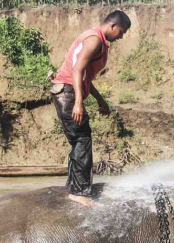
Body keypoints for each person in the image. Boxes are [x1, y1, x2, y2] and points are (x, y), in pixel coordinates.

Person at [49, 10, 130, 207]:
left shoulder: (97, 39)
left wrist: (101, 101)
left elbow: (86, 77)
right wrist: (78, 102)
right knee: (81, 138)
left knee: (80, 138)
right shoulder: (95, 40)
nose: (121, 36)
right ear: (112, 26)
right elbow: (76, 70)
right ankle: (78, 192)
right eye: (122, 31)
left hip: (68, 90)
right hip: (67, 91)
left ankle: (74, 185)